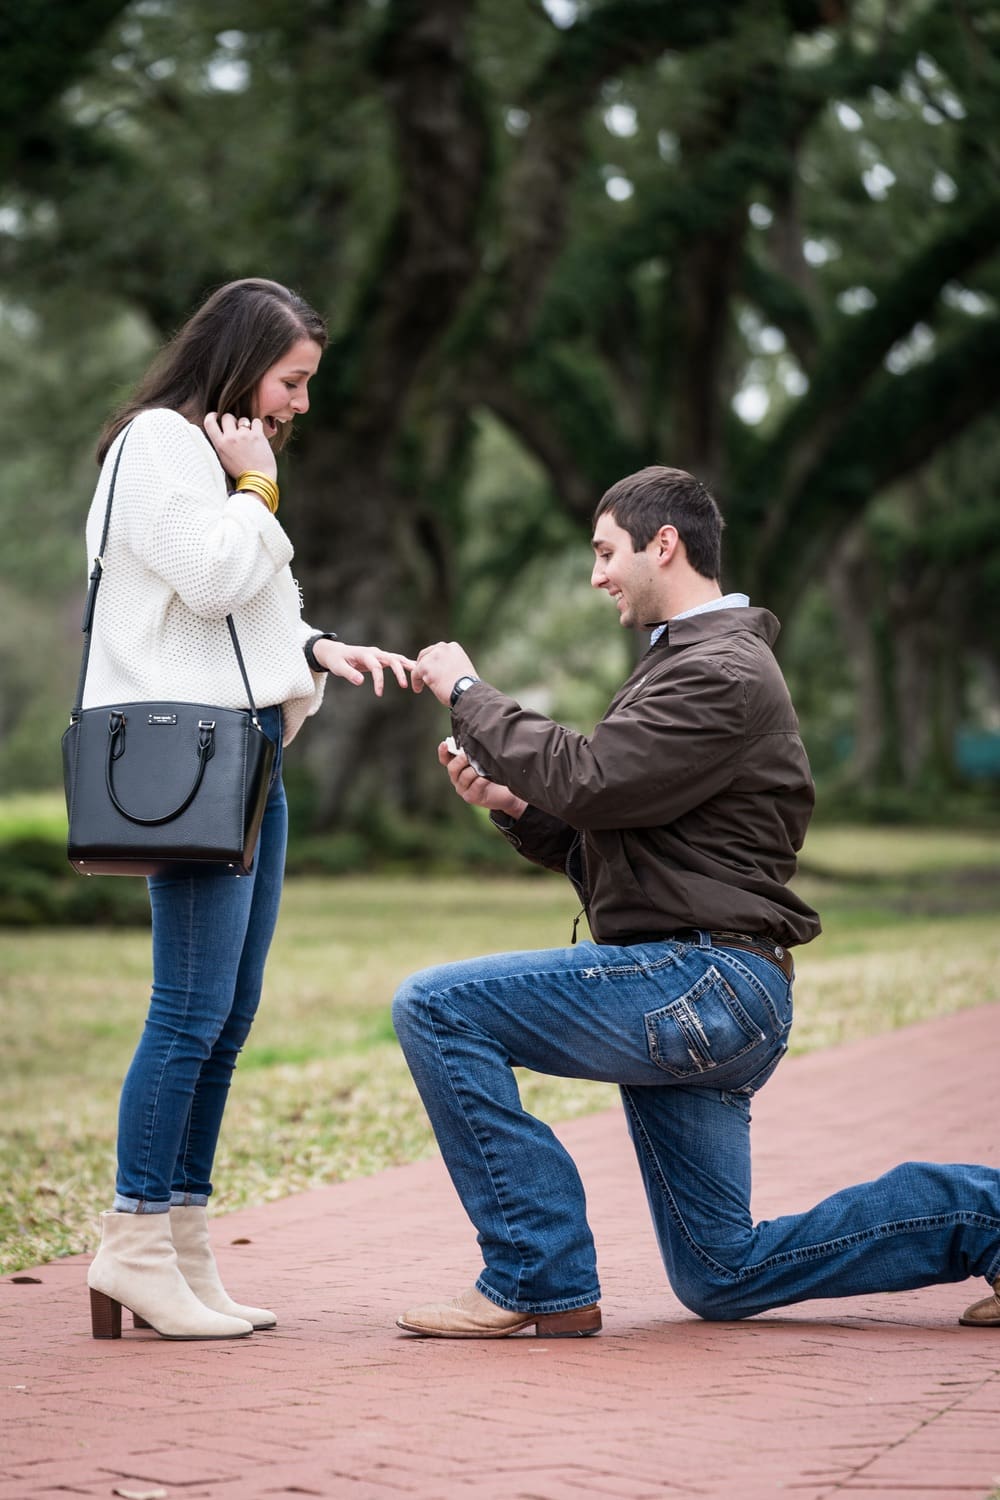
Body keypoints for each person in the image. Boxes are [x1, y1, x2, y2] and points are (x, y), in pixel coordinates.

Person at [393, 464, 1000, 1339]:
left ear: (663, 544)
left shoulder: (721, 668)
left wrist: (466, 691)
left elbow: (593, 779)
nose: (597, 574)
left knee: (437, 1008)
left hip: (703, 982)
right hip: (703, 985)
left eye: (606, 552)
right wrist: (519, 807)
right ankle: (986, 1222)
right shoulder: (688, 664)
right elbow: (627, 838)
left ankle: (535, 1273)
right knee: (722, 1272)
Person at [83, 277, 413, 1342]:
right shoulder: (160, 446)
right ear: (237, 364)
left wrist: (316, 648)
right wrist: (258, 489)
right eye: (291, 380)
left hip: (245, 750)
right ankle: (133, 1243)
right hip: (191, 758)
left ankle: (180, 1244)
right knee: (187, 1008)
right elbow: (215, 576)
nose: (299, 404)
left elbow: (248, 609)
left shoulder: (212, 461)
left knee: (227, 1015)